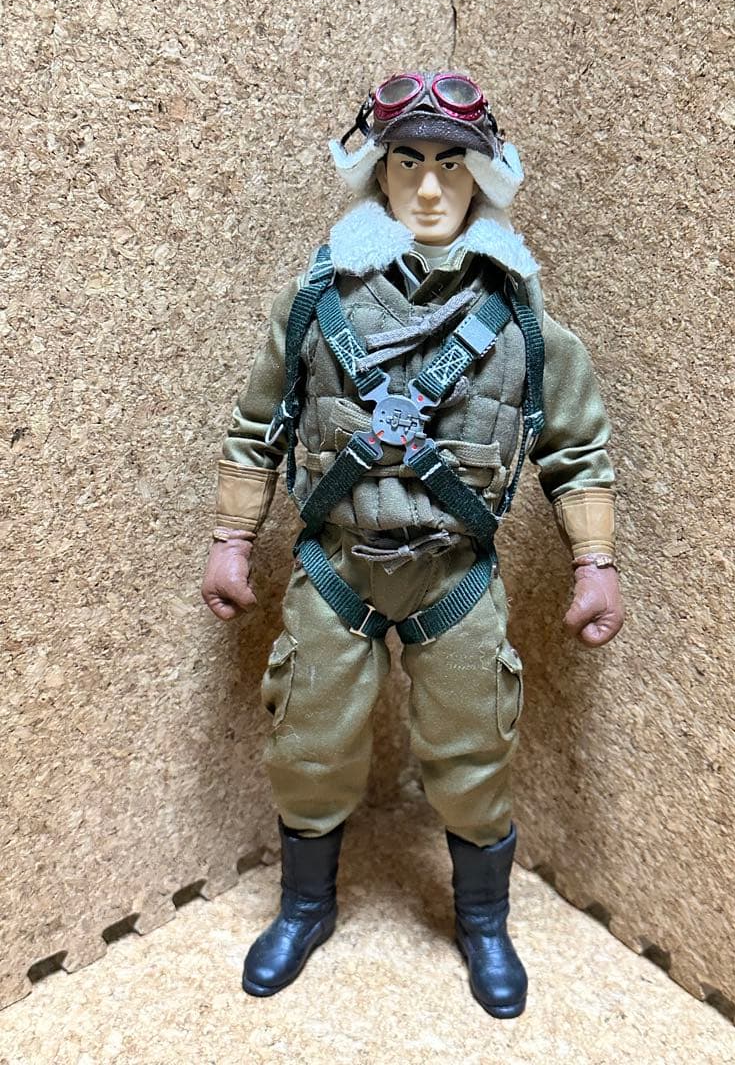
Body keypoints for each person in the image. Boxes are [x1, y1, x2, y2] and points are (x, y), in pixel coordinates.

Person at [201, 71, 625, 1019]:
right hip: (336, 566)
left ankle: (483, 922)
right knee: (308, 747)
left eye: (452, 164)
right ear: (377, 171)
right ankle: (305, 906)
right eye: (407, 162)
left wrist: (594, 563)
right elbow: (257, 426)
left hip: (455, 576)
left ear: (484, 177)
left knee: (474, 757)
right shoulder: (315, 302)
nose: (429, 187)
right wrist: (232, 540)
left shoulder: (522, 317)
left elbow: (577, 448)